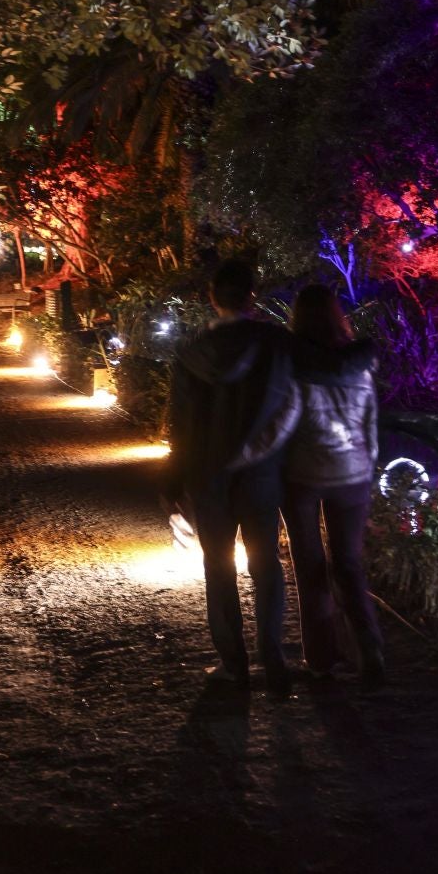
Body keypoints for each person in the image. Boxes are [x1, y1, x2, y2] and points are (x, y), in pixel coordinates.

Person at [167, 259, 299, 696]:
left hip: (208, 471)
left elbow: (180, 423)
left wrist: (176, 478)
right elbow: (293, 405)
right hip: (261, 469)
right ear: (252, 295)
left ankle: (233, 663)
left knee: (218, 565)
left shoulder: (191, 354)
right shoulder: (277, 344)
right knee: (266, 563)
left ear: (212, 297)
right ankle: (274, 658)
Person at [282, 285, 385, 689]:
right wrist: (368, 466)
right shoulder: (360, 362)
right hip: (353, 473)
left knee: (310, 567)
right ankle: (369, 648)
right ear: (337, 316)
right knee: (348, 564)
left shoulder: (292, 364)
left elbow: (286, 422)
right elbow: (370, 424)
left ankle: (322, 659)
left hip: (303, 474)